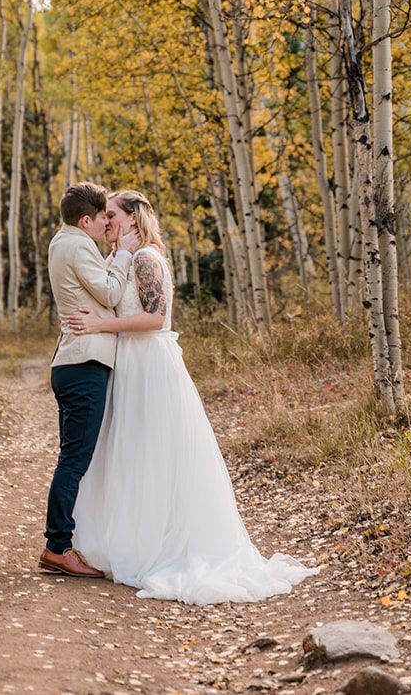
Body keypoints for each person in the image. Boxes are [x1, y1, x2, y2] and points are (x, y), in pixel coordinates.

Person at [64, 189, 319, 605]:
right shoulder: (119, 259)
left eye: (111, 214)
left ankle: (164, 547)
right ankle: (132, 539)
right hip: (128, 363)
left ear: (132, 219)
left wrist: (100, 327)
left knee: (158, 456)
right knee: (132, 455)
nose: (104, 220)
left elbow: (154, 318)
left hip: (151, 365)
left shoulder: (146, 258)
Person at [38, 181, 140, 578]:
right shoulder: (79, 246)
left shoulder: (60, 242)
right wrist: (125, 254)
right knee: (75, 459)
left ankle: (61, 543)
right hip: (84, 363)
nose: (105, 226)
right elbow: (112, 292)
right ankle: (57, 546)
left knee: (72, 456)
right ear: (87, 220)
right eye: (102, 219)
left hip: (70, 362)